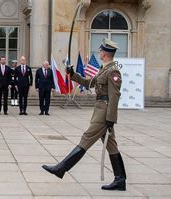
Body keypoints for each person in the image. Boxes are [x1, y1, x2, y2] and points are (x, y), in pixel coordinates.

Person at [42, 38, 126, 191]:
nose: (99, 52)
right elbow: (89, 83)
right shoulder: (104, 68)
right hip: (100, 109)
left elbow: (115, 96)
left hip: (104, 112)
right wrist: (73, 74)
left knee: (86, 138)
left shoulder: (113, 71)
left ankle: (62, 168)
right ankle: (120, 179)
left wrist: (111, 118)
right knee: (111, 145)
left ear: (106, 53)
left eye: (101, 50)